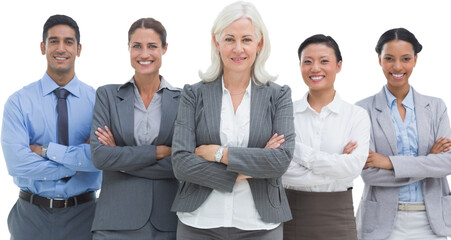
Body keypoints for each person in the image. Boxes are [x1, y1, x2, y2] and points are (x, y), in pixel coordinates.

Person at [171, 1, 295, 239]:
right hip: (199, 222)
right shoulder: (193, 94)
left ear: (259, 44)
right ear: (216, 42)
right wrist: (250, 168)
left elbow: (280, 161)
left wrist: (217, 153)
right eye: (229, 39)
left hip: (260, 225)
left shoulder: (278, 95)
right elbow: (181, 163)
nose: (238, 48)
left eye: (246, 40)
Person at [1, 15, 101, 240]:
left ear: (79, 49)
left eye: (68, 42)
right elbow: (18, 163)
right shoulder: (19, 102)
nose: (61, 48)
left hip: (84, 216)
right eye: (54, 41)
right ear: (43, 47)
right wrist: (75, 166)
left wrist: (46, 151)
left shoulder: (98, 102)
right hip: (30, 217)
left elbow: (100, 158)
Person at [356, 28, 451, 240]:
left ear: (415, 60)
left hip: (432, 222)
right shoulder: (363, 110)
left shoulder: (436, 107)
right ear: (379, 59)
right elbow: (369, 173)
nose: (397, 66)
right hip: (381, 223)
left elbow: (447, 163)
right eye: (389, 58)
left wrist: (388, 162)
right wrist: (429, 162)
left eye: (405, 59)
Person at [90, 17, 179, 239]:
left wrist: (121, 162)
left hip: (166, 222)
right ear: (128, 48)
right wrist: (159, 151)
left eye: (152, 46)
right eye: (137, 46)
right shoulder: (107, 96)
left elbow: (181, 163)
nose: (144, 54)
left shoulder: (184, 99)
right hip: (114, 221)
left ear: (164, 49)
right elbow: (101, 157)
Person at [281, 34, 370, 240]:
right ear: (300, 66)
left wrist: (295, 150)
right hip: (291, 215)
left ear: (338, 65)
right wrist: (337, 164)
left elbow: (353, 169)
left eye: (324, 61)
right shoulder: (284, 113)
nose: (315, 68)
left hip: (340, 217)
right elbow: (280, 170)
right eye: (308, 62)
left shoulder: (356, 115)